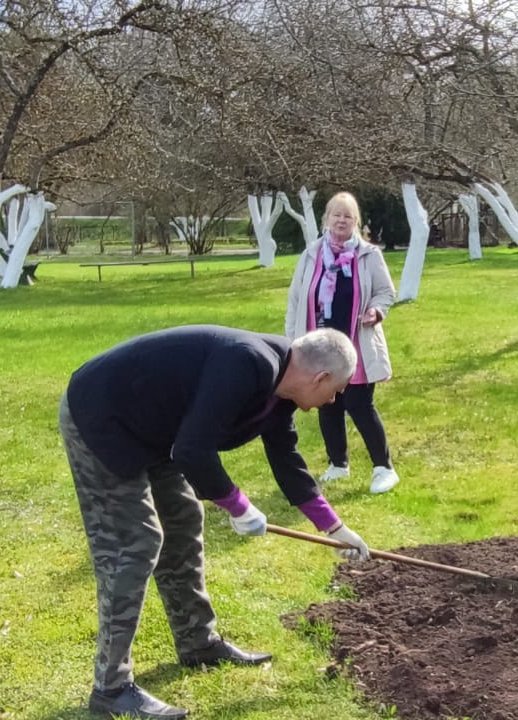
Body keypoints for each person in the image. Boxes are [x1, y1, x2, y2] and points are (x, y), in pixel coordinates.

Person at [59, 325, 373, 719]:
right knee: (134, 544)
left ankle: (198, 644)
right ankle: (111, 688)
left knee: (184, 519)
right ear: (320, 377)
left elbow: (286, 459)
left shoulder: (282, 388)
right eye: (337, 389)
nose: (334, 399)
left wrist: (335, 529)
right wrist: (238, 506)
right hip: (102, 416)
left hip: (155, 428)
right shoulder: (246, 363)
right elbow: (193, 451)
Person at [284, 191, 401, 494]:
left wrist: (376, 311)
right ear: (327, 219)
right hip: (319, 346)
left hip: (357, 344)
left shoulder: (369, 255)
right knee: (327, 404)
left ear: (355, 222)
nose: (341, 220)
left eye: (348, 216)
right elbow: (296, 299)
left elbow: (386, 292)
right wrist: (292, 341)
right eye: (336, 214)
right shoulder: (312, 254)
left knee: (360, 404)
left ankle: (384, 468)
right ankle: (338, 464)